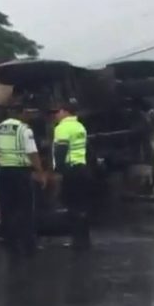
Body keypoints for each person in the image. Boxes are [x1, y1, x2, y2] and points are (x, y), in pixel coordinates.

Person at [0, 99, 46, 256]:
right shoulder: (24, 130)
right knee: (25, 209)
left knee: (7, 209)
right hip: (20, 174)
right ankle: (28, 244)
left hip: (4, 173)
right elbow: (32, 153)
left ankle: (11, 243)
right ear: (21, 113)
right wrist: (40, 172)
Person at [52, 98, 90, 250]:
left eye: (58, 111)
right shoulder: (80, 127)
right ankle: (84, 239)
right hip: (82, 167)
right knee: (81, 206)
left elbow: (60, 151)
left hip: (70, 170)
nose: (56, 114)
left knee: (72, 205)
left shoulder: (62, 128)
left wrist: (59, 171)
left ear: (65, 112)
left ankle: (77, 240)